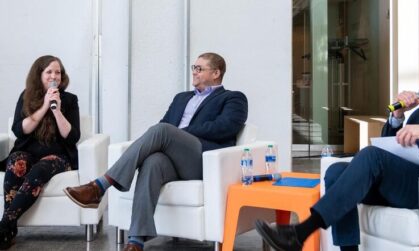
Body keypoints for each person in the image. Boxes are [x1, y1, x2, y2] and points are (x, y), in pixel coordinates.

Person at [255, 50, 419, 251]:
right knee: (337, 171)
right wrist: (397, 116)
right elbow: (389, 146)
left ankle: (301, 232)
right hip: (399, 180)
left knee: (369, 157)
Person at [64, 52, 248, 251]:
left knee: (163, 131)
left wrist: (178, 133)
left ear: (216, 73)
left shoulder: (233, 98)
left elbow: (224, 127)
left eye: (199, 68)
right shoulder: (181, 98)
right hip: (173, 160)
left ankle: (100, 185)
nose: (194, 72)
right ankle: (135, 241)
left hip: (202, 159)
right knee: (152, 162)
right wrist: (172, 134)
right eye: (193, 68)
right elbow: (163, 126)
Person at [0, 55, 80, 249]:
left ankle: (4, 225)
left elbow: (72, 137)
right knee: (15, 162)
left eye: (58, 72)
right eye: (49, 72)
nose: (54, 76)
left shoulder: (69, 100)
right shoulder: (26, 96)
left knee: (40, 169)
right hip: (28, 151)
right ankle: (8, 230)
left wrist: (57, 110)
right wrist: (45, 105)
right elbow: (20, 130)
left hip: (58, 157)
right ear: (39, 75)